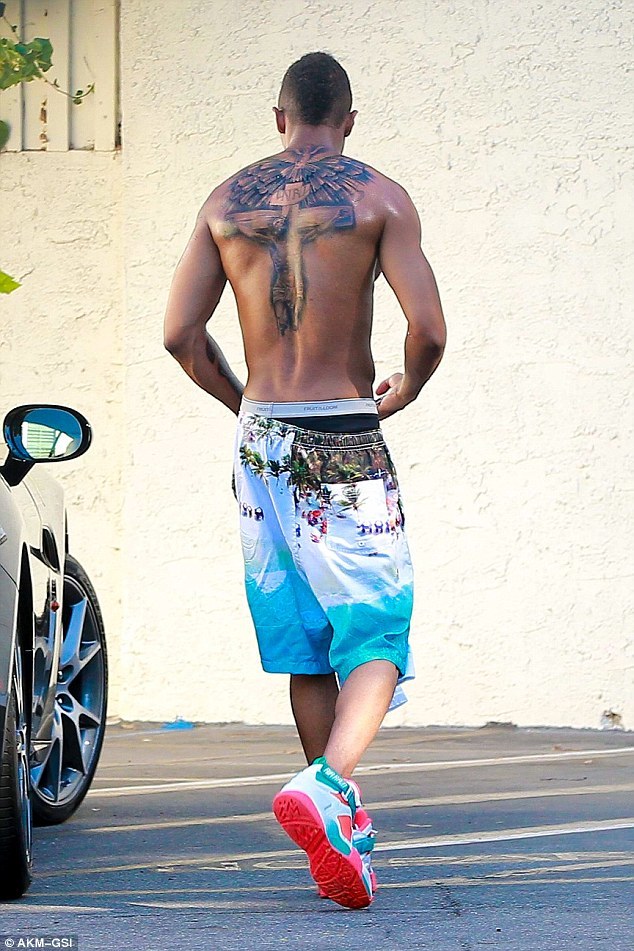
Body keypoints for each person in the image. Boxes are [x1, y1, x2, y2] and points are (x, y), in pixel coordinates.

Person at [164, 51, 446, 909]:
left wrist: (244, 406)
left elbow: (179, 334)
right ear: (348, 120)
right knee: (378, 635)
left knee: (309, 643)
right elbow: (429, 330)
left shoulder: (225, 202)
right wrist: (405, 388)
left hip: (261, 440)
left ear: (279, 117)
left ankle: (337, 824)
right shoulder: (380, 198)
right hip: (342, 434)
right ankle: (326, 784)